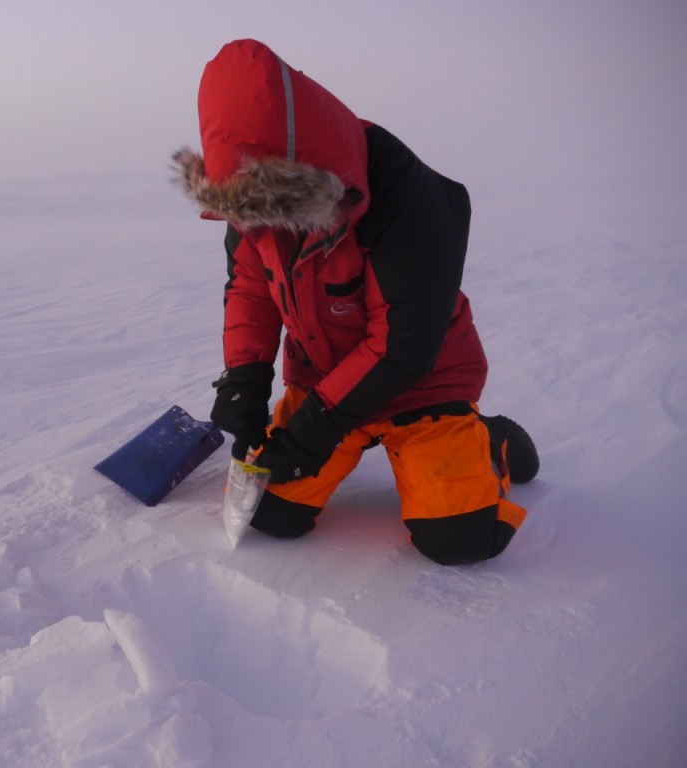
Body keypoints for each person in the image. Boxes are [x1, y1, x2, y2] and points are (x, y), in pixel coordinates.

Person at [173, 39, 538, 565]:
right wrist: (244, 379)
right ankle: (343, 438)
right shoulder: (250, 204)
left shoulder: (402, 195)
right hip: (325, 380)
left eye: (268, 201)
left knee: (458, 538)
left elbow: (403, 345)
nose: (257, 221)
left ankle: (487, 440)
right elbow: (251, 289)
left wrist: (312, 431)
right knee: (269, 514)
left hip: (421, 385)